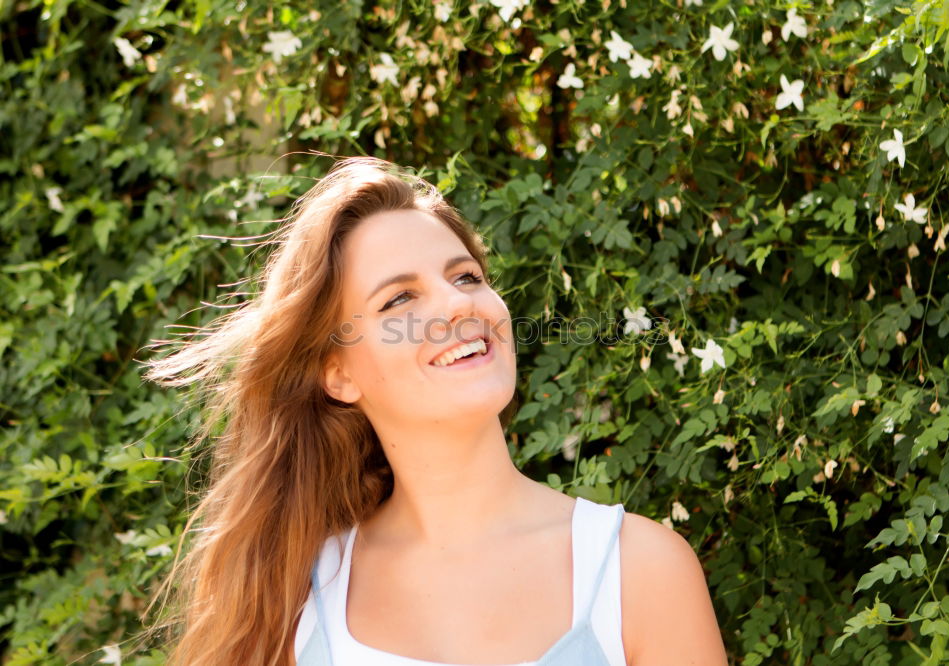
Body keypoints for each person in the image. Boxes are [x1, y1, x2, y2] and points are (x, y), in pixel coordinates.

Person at [144, 156, 727, 666]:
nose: (457, 303)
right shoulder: (298, 597)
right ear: (338, 374)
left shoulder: (638, 572)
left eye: (466, 276)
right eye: (399, 299)